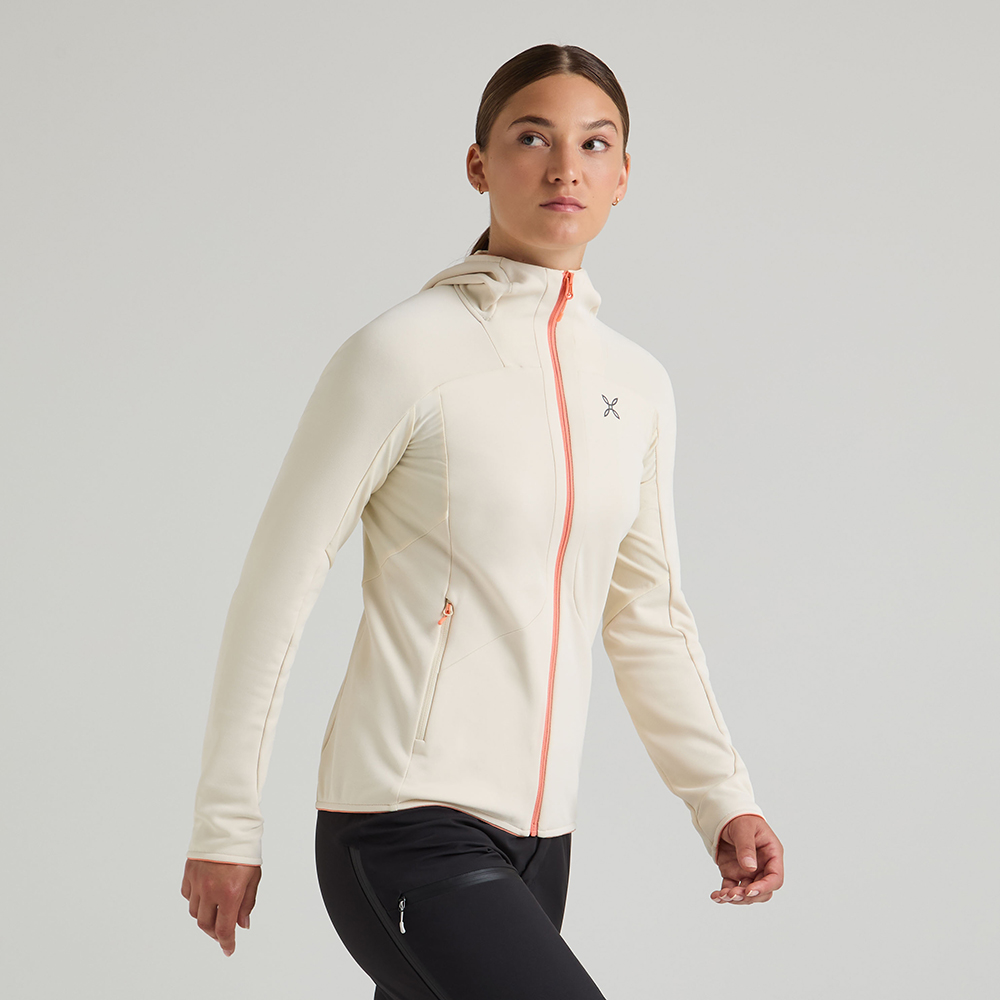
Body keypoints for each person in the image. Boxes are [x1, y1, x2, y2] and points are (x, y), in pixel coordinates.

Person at [181, 42, 784, 998]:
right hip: (401, 821)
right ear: (479, 164)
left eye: (594, 144)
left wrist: (722, 798)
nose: (564, 167)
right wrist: (227, 822)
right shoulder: (403, 353)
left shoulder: (636, 386)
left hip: (543, 842)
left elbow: (647, 617)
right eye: (532, 138)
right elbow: (277, 589)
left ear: (623, 176)